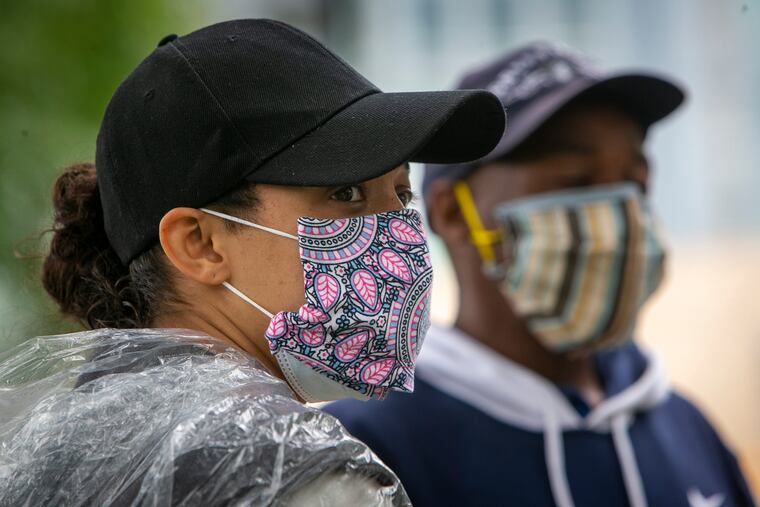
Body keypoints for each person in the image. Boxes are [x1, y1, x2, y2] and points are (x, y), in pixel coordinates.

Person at [0, 19, 505, 506]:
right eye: (346, 192)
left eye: (401, 192)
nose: (400, 234)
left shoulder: (47, 450)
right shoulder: (298, 472)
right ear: (199, 244)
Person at [326, 43, 757, 507]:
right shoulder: (365, 452)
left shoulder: (684, 426)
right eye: (575, 181)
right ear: (453, 214)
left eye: (634, 183)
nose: (620, 216)